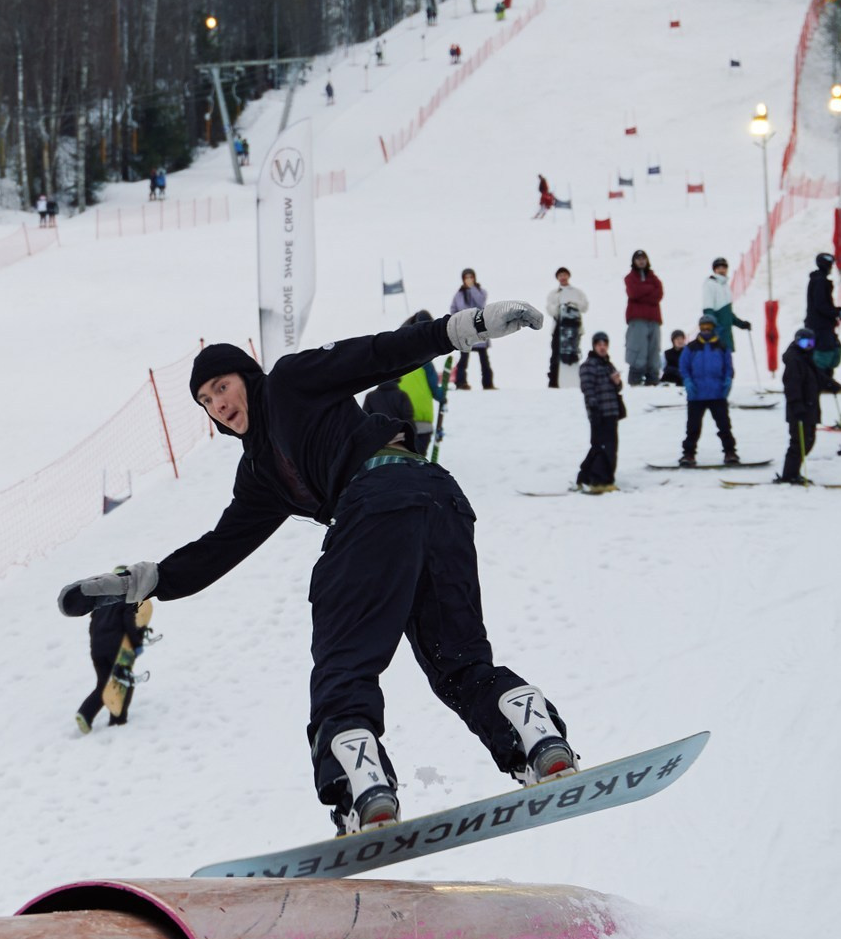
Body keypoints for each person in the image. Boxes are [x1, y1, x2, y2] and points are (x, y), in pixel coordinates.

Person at [56, 303, 571, 837]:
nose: (218, 404)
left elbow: (376, 355)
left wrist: (464, 329)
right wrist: (146, 580)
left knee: (343, 664)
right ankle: (532, 734)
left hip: (377, 497)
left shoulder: (288, 382)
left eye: (222, 387)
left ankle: (359, 784)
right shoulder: (259, 475)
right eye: (206, 401)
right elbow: (218, 549)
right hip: (438, 500)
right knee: (458, 659)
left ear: (246, 377)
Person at [73, 597, 151, 733]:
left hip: (97, 650)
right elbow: (129, 622)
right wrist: (136, 643)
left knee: (103, 684)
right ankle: (118, 719)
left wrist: (95, 647)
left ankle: (85, 714)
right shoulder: (126, 599)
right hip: (117, 648)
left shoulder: (100, 604)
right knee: (124, 681)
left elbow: (92, 627)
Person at [679, 315, 742, 467]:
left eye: (708, 327)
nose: (706, 330)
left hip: (717, 393)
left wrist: (728, 380)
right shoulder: (691, 347)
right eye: (703, 327)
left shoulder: (722, 347)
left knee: (724, 426)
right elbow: (684, 367)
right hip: (696, 394)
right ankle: (688, 454)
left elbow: (729, 367)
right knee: (692, 427)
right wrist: (687, 381)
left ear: (714, 328)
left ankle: (730, 452)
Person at [576, 332, 624, 492]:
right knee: (602, 447)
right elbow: (588, 389)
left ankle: (586, 477)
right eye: (599, 344)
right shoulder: (588, 366)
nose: (602, 347)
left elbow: (617, 388)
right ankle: (599, 480)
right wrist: (594, 409)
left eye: (605, 344)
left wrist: (617, 382)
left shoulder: (608, 365)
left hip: (612, 413)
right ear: (594, 346)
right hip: (599, 414)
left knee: (605, 447)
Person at [777, 326, 822, 485]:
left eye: (810, 343)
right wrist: (797, 406)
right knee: (799, 443)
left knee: (808, 441)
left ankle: (793, 472)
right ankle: (789, 475)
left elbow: (817, 377)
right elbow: (792, 386)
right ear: (797, 342)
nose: (808, 346)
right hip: (799, 410)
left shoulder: (806, 358)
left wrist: (832, 385)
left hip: (809, 408)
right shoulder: (794, 360)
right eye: (804, 343)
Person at [623, 250, 665, 385]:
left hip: (653, 319)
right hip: (637, 319)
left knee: (653, 350)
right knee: (637, 349)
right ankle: (636, 379)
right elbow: (633, 293)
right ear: (634, 261)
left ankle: (653, 379)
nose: (641, 261)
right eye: (638, 259)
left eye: (643, 258)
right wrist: (648, 289)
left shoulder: (654, 278)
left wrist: (643, 290)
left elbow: (658, 294)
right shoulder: (630, 277)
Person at [448, 269, 494, 389]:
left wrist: (472, 288)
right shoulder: (458, 295)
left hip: (479, 329)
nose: (469, 280)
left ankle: (488, 383)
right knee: (463, 358)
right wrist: (457, 322)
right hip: (465, 331)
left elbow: (480, 302)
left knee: (484, 359)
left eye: (471, 277)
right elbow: (453, 309)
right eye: (466, 278)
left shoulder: (481, 292)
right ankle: (460, 382)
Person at [546, 267, 590, 387]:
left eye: (565, 275)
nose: (563, 277)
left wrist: (573, 305)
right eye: (560, 275)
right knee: (555, 354)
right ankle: (554, 382)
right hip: (558, 327)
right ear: (557, 278)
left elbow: (585, 306)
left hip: (575, 328)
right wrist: (561, 308)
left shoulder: (577, 292)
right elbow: (550, 309)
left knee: (574, 352)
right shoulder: (554, 293)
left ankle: (573, 380)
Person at [701, 258, 749, 353]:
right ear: (715, 270)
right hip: (717, 334)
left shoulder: (725, 286)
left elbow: (728, 314)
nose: (722, 270)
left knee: (727, 363)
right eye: (719, 268)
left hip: (727, 333)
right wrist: (714, 329)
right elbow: (708, 311)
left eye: (724, 267)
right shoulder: (710, 285)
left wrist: (741, 324)